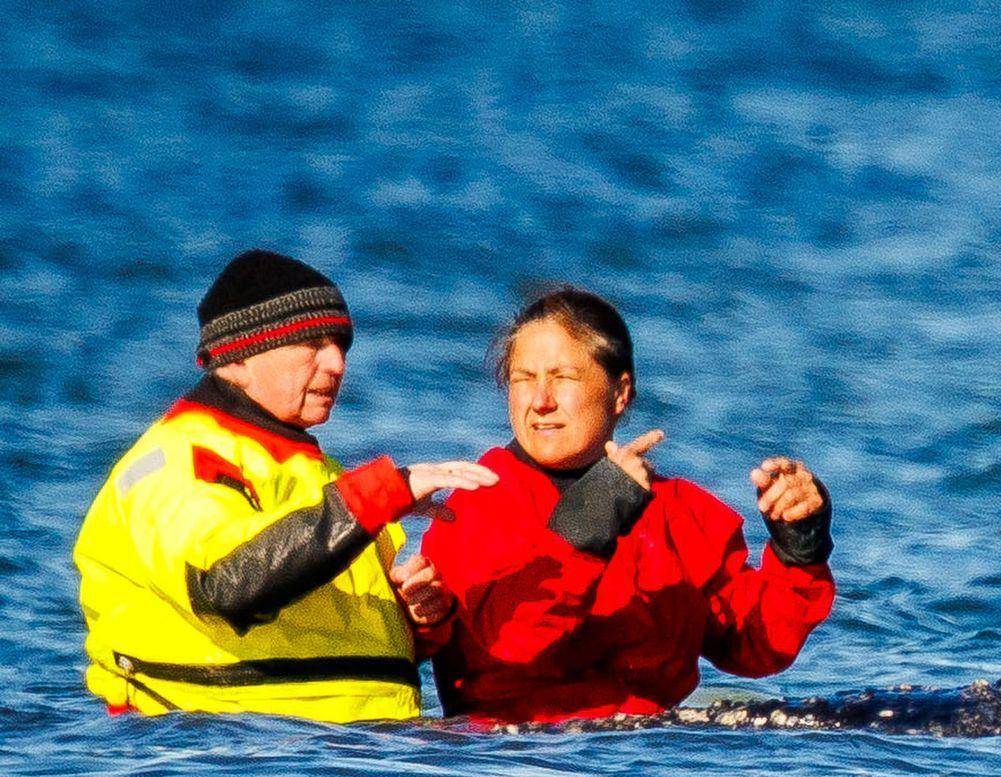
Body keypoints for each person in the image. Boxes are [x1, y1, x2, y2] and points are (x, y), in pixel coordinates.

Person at [74, 250, 497, 722]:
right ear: (236, 358)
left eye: (340, 344)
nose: (337, 363)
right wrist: (381, 494)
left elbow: (336, 649)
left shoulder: (326, 477)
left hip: (359, 759)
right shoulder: (174, 460)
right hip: (226, 759)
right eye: (312, 342)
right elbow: (231, 584)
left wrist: (418, 621)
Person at [415, 287, 835, 723]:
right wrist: (592, 523)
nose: (540, 401)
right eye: (524, 379)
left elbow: (756, 647)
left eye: (563, 377)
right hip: (520, 765)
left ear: (620, 393)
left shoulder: (678, 510)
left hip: (651, 764)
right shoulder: (474, 505)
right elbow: (511, 643)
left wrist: (799, 547)